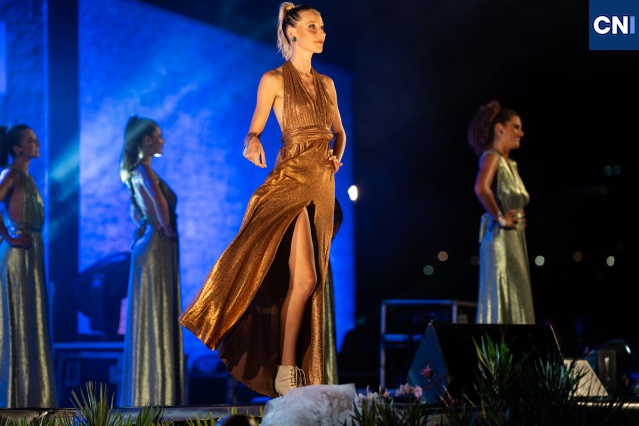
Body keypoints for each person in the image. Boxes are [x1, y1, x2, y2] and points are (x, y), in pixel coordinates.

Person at [179, 2, 346, 398]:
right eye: (312, 26)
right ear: (291, 32)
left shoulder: (327, 84)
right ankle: (286, 371)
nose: (321, 33)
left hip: (322, 186)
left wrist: (336, 156)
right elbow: (253, 130)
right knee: (305, 277)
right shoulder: (273, 79)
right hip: (290, 182)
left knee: (307, 282)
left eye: (322, 26)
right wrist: (252, 143)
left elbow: (339, 132)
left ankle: (290, 370)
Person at [118, 116, 185, 406]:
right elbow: (158, 202)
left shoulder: (133, 171)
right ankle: (157, 394)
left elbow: (136, 212)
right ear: (146, 140)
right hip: (157, 244)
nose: (162, 140)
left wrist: (147, 225)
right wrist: (167, 228)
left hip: (148, 241)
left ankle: (149, 390)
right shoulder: (144, 169)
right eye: (158, 136)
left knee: (151, 310)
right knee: (157, 309)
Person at [0, 124, 58, 408]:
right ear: (17, 148)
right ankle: (12, 399)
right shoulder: (10, 174)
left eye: (36, 140)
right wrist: (9, 236)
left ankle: (30, 397)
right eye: (30, 141)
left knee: (31, 321)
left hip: (32, 253)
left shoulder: (27, 177)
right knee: (17, 321)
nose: (37, 144)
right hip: (17, 254)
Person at [468, 100, 535, 324]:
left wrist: (517, 216)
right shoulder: (491, 156)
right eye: (515, 127)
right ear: (499, 129)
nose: (520, 133)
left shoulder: (512, 164)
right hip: (499, 240)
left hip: (514, 239)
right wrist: (499, 218)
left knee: (518, 296)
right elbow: (481, 188)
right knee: (503, 296)